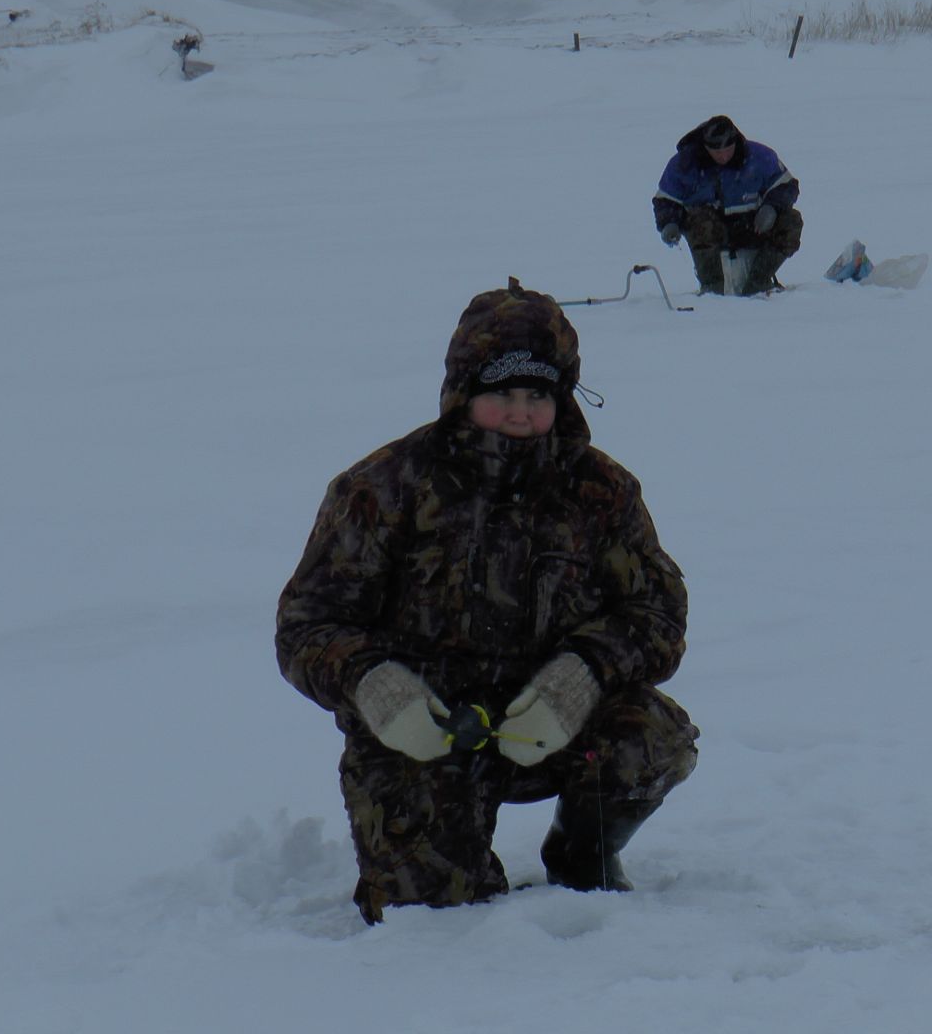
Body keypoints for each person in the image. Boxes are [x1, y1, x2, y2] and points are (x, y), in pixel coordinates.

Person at [276, 279, 698, 925]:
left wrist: (579, 677)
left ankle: (584, 857)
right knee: (432, 918)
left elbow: (656, 613)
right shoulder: (383, 487)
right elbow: (309, 623)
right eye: (501, 394)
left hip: (551, 724)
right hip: (424, 735)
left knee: (652, 736)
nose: (521, 413)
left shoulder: (602, 488)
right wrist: (379, 688)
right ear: (463, 393)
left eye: (538, 395)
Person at [652, 114, 802, 296]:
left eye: (728, 149)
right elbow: (665, 200)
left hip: (752, 224)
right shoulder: (683, 164)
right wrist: (669, 223)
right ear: (705, 147)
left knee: (791, 221)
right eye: (716, 151)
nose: (723, 156)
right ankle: (713, 288)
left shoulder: (760, 157)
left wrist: (772, 207)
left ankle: (759, 281)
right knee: (701, 221)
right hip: (709, 231)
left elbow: (786, 185)